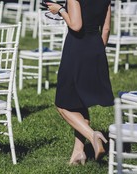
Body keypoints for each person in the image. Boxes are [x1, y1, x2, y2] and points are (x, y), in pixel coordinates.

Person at [46, 0, 114, 165]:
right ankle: (78, 152)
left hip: (76, 50)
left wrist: (60, 10)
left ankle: (93, 136)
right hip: (96, 48)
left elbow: (76, 26)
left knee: (62, 105)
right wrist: (95, 51)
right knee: (79, 102)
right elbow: (106, 29)